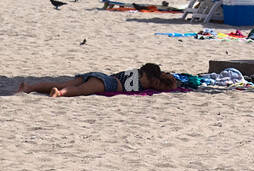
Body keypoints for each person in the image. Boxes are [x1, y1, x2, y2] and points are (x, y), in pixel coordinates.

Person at [17, 63, 180, 97]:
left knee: (63, 83)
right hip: (108, 83)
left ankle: (29, 87)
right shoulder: (145, 83)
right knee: (79, 91)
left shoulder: (140, 73)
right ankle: (59, 94)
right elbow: (171, 86)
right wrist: (170, 82)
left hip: (100, 74)